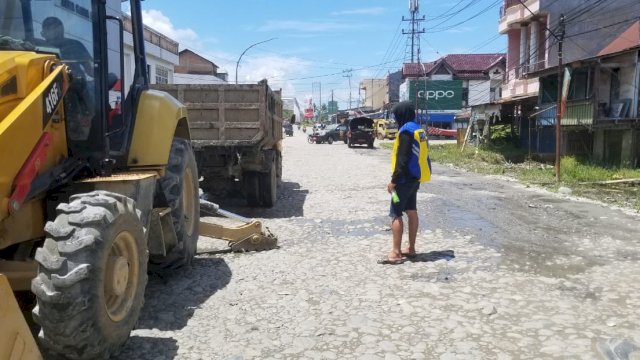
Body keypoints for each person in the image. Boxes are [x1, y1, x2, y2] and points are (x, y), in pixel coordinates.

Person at [378, 101, 431, 265]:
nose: (395, 118)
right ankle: (411, 248)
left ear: (401, 114)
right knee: (411, 210)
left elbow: (403, 158)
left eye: (395, 115)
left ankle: (395, 253)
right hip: (415, 179)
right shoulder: (418, 129)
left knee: (395, 213)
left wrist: (393, 181)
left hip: (403, 180)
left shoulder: (406, 131)